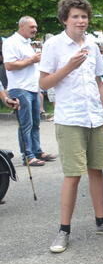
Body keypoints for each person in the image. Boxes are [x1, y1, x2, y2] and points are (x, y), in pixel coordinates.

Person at [39, 0, 103, 254]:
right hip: (70, 118)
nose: (81, 21)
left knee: (97, 170)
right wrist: (68, 66)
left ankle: (102, 221)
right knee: (73, 175)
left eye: (84, 16)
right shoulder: (54, 45)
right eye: (75, 16)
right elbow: (44, 84)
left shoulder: (92, 45)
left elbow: (98, 82)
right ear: (64, 19)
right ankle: (63, 230)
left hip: (93, 117)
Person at [2, 16, 57, 167]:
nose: (35, 30)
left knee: (35, 122)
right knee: (26, 124)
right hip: (20, 88)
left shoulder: (27, 43)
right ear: (22, 26)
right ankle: (28, 156)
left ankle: (37, 151)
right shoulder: (11, 42)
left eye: (36, 27)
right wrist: (31, 60)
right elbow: (9, 65)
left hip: (32, 88)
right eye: (32, 27)